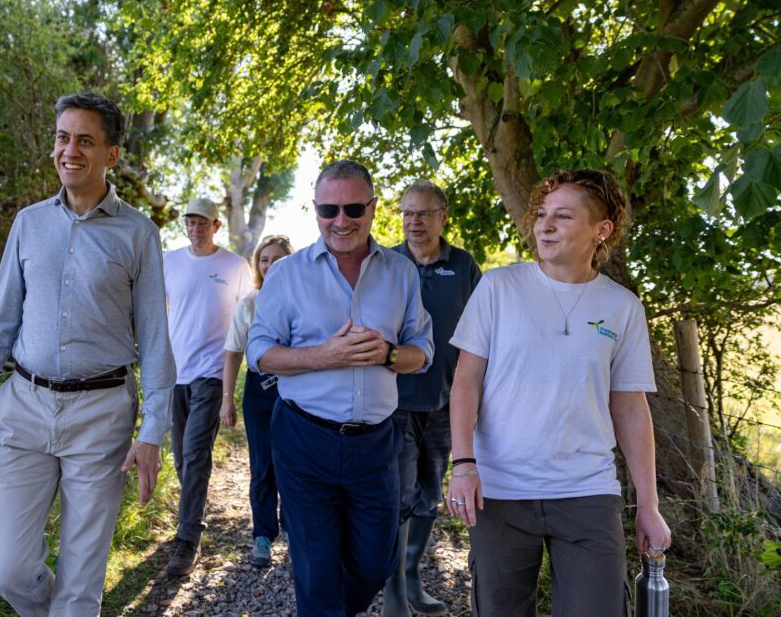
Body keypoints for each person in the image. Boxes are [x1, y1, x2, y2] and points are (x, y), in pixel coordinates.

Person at [0, 93, 174, 616]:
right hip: (24, 408)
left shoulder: (139, 234)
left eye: (85, 140)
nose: (70, 150)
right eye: (63, 137)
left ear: (111, 155)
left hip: (101, 415)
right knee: (7, 571)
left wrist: (152, 432)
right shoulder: (28, 224)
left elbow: (157, 341)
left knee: (80, 586)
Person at [446, 169, 672, 616]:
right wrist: (464, 465)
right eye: (542, 214)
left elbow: (629, 407)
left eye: (563, 216)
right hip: (502, 490)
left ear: (601, 230)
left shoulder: (622, 307)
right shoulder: (499, 287)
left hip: (587, 491)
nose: (544, 226)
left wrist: (649, 505)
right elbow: (465, 381)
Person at [247, 159, 434, 616]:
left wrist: (387, 353)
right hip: (304, 441)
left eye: (353, 208)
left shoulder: (401, 273)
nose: (341, 220)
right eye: (329, 210)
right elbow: (259, 353)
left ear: (372, 208)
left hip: (376, 445)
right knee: (316, 569)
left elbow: (422, 352)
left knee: (374, 564)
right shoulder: (287, 274)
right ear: (315, 211)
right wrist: (323, 356)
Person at [383, 181, 481, 617]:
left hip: (446, 400)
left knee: (428, 492)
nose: (413, 222)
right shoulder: (384, 262)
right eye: (407, 213)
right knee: (398, 493)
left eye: (423, 214)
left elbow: (482, 332)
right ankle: (394, 592)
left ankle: (411, 573)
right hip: (393, 401)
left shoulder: (462, 266)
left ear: (443, 217)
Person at [163, 197, 252, 575]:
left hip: (212, 373)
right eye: (191, 222)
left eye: (204, 223)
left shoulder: (234, 265)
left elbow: (247, 318)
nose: (196, 228)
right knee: (182, 457)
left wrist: (233, 385)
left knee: (196, 453)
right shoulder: (169, 262)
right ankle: (193, 512)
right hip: (174, 375)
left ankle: (188, 539)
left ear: (217, 226)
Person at [220, 234, 294, 568]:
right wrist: (227, 400)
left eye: (277, 259)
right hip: (259, 391)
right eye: (264, 259)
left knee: (294, 464)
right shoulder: (248, 303)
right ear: (257, 265)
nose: (270, 265)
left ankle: (295, 530)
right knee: (263, 465)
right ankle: (262, 536)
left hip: (296, 389)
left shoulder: (301, 298)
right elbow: (233, 353)